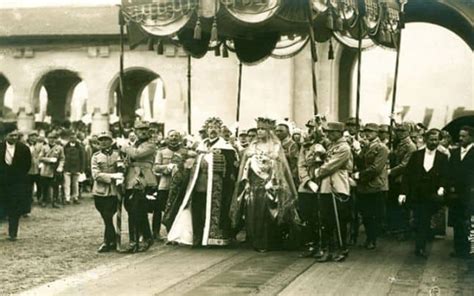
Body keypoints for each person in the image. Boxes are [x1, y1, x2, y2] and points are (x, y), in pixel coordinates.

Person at [230, 117, 299, 252]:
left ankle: (270, 241)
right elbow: (245, 165)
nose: (260, 132)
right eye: (258, 129)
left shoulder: (276, 146)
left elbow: (282, 166)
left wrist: (271, 162)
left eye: (263, 129)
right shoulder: (253, 146)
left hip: (270, 185)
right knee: (253, 212)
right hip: (254, 185)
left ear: (269, 131)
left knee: (268, 213)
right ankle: (255, 239)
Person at [168, 117, 238, 247]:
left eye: (216, 128)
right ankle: (197, 237)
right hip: (199, 183)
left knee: (213, 210)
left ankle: (213, 238)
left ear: (220, 130)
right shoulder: (201, 145)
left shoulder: (226, 147)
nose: (213, 131)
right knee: (197, 209)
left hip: (217, 186)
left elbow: (231, 168)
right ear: (207, 130)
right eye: (210, 128)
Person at [398, 129, 449, 258]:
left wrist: (442, 187)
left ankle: (420, 246)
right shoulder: (416, 155)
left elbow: (445, 175)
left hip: (431, 194)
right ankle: (420, 245)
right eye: (431, 140)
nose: (433, 142)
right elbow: (407, 175)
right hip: (416, 194)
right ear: (426, 140)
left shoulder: (442, 157)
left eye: (436, 140)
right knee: (419, 219)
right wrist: (403, 193)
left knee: (424, 219)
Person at [314, 122, 353, 262]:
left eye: (331, 132)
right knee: (326, 220)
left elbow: (331, 166)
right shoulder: (331, 145)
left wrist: (317, 172)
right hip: (326, 186)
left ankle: (342, 249)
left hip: (338, 185)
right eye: (327, 132)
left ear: (339, 133)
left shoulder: (344, 147)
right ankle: (328, 250)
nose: (328, 134)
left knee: (339, 220)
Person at [153, 130, 195, 238]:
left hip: (179, 186)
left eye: (176, 136)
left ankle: (172, 232)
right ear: (167, 138)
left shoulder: (184, 151)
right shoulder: (161, 152)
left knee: (176, 208)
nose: (174, 138)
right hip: (165, 185)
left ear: (180, 138)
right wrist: (167, 167)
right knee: (158, 209)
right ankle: (155, 232)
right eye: (171, 136)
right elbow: (156, 167)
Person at [123, 121, 157, 253]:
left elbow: (136, 154)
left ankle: (143, 239)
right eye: (140, 130)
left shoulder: (150, 144)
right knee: (131, 210)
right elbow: (129, 158)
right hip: (131, 180)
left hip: (143, 180)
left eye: (145, 130)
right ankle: (137, 240)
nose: (143, 132)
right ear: (135, 131)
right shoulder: (134, 144)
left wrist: (125, 147)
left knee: (138, 210)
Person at [354, 123, 389, 250]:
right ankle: (369, 238)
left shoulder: (381, 148)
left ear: (377, 133)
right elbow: (359, 162)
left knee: (374, 214)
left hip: (375, 184)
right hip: (364, 185)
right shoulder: (366, 145)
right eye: (366, 131)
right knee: (366, 213)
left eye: (370, 131)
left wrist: (359, 175)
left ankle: (372, 239)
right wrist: (356, 150)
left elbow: (376, 168)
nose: (367, 133)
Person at [91, 132, 124, 252]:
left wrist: (121, 173)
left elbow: (123, 169)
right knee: (106, 217)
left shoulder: (118, 155)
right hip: (99, 192)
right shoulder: (95, 156)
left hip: (115, 192)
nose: (104, 142)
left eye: (106, 140)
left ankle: (107, 242)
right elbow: (96, 175)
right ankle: (113, 239)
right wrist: (113, 176)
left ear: (111, 141)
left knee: (108, 216)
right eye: (101, 140)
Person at [297, 124, 326, 257]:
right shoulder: (305, 146)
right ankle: (310, 244)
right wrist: (307, 180)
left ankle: (322, 245)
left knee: (321, 216)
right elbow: (301, 165)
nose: (312, 132)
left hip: (323, 183)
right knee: (306, 216)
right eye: (310, 129)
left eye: (315, 129)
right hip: (307, 185)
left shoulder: (327, 144)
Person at [0, 128, 32, 241]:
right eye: (11, 135)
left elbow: (27, 164)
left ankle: (12, 233)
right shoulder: (1, 147)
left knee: (14, 208)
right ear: (5, 136)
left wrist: (19, 176)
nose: (14, 138)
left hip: (16, 183)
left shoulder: (23, 149)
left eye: (15, 135)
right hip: (2, 183)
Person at [447, 126, 474, 258]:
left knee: (469, 221)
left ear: (471, 137)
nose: (461, 138)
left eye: (464, 136)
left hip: (470, 193)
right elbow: (450, 171)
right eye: (460, 136)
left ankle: (470, 249)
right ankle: (459, 249)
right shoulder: (455, 152)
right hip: (456, 193)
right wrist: (451, 187)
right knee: (458, 221)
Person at [387, 122, 417, 238]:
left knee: (403, 206)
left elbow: (405, 165)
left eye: (403, 131)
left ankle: (404, 230)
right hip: (396, 178)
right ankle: (397, 228)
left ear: (408, 132)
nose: (400, 133)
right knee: (395, 205)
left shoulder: (410, 146)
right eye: (398, 131)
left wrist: (390, 171)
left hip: (403, 179)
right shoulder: (399, 144)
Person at [39, 132, 65, 208]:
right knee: (45, 186)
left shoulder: (59, 148)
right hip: (46, 169)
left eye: (53, 138)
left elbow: (62, 159)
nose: (52, 140)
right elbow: (40, 158)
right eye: (50, 138)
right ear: (48, 139)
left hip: (55, 169)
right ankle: (44, 200)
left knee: (55, 186)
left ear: (56, 139)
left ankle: (55, 201)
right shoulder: (44, 147)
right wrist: (49, 159)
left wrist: (60, 166)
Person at [63, 132, 86, 205]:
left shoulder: (80, 147)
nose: (73, 139)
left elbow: (83, 158)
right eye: (71, 137)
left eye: (74, 137)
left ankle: (75, 197)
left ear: (76, 138)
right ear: (69, 139)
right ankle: (67, 198)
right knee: (67, 184)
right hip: (67, 168)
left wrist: (82, 168)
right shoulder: (65, 147)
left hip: (76, 168)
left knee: (75, 184)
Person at [26, 131, 43, 209]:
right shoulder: (25, 145)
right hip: (28, 169)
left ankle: (40, 199)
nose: (33, 138)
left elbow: (41, 155)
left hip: (38, 168)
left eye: (35, 136)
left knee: (40, 184)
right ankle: (29, 199)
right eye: (32, 136)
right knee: (29, 186)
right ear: (29, 137)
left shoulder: (40, 145)